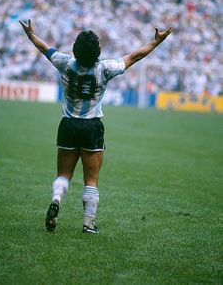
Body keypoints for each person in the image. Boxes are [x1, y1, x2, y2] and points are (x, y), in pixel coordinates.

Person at [19, 19, 172, 234]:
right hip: (92, 127)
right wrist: (156, 42)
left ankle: (56, 198)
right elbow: (135, 56)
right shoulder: (105, 69)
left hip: (68, 124)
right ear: (97, 51)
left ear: (75, 49)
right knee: (91, 179)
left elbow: (44, 48)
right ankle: (88, 224)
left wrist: (30, 34)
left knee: (63, 174)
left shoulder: (65, 63)